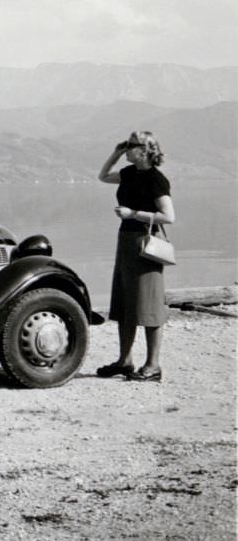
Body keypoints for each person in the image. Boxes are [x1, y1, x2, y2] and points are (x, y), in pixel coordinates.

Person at [96, 131, 175, 382]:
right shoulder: (129, 174)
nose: (128, 148)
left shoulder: (156, 180)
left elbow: (169, 217)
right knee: (125, 302)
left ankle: (153, 366)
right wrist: (117, 152)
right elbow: (103, 176)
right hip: (126, 240)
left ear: (144, 150)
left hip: (146, 243)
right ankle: (124, 361)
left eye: (131, 145)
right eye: (127, 145)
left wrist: (134, 214)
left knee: (150, 305)